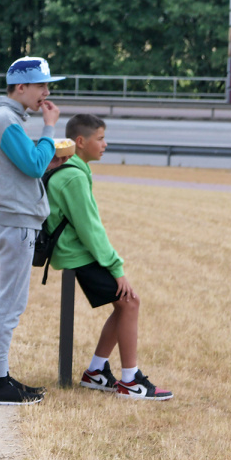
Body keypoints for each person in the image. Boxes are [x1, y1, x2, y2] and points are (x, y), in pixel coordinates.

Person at [47, 114, 173, 401]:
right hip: (75, 253)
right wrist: (117, 268)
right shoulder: (73, 176)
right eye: (100, 138)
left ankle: (96, 372)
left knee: (125, 304)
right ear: (81, 142)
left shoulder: (73, 170)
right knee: (130, 302)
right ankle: (130, 382)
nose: (105, 144)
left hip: (74, 250)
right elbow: (90, 230)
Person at [0, 56, 64, 406]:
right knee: (9, 303)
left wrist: (44, 156)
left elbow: (27, 165)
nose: (46, 92)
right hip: (15, 221)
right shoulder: (5, 118)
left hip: (14, 219)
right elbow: (32, 165)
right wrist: (49, 129)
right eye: (41, 85)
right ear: (20, 87)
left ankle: (0, 377)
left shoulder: (7, 117)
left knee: (10, 301)